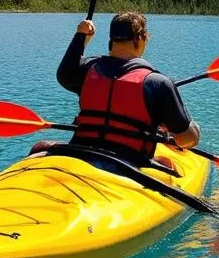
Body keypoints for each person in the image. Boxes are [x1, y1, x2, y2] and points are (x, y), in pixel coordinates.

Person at [32, 10, 200, 167]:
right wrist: (192, 129)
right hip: (129, 163)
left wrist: (81, 36)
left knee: (40, 146)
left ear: (111, 40)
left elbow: (65, 72)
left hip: (81, 152)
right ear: (139, 39)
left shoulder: (86, 70)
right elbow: (187, 139)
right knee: (167, 164)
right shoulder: (158, 84)